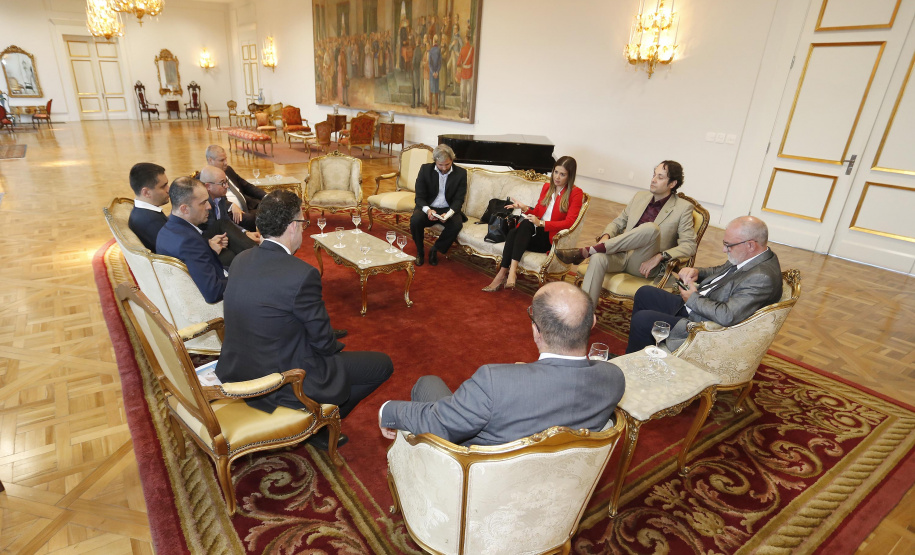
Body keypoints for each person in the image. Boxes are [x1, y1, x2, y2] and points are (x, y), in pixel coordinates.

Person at [215, 190, 394, 449]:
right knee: (381, 365)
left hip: (239, 367)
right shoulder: (302, 274)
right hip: (283, 377)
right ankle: (318, 422)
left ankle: (315, 420)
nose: (303, 230)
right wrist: (331, 346)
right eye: (302, 223)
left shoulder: (241, 259)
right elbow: (323, 343)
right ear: (291, 227)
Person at [379, 282, 625, 446]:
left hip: (483, 483)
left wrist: (387, 411)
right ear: (592, 323)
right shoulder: (615, 378)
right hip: (557, 485)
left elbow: (438, 423)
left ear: (536, 331)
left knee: (428, 383)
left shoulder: (493, 382)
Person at [626, 216, 783, 353]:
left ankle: (635, 367)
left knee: (643, 320)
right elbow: (720, 271)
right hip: (701, 306)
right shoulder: (752, 256)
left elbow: (727, 315)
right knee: (645, 293)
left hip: (705, 325)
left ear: (750, 245)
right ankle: (642, 354)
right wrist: (696, 272)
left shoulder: (761, 277)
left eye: (728, 245)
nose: (724, 249)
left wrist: (692, 298)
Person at [556, 161, 697, 307]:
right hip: (620, 255)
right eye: (654, 175)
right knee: (598, 258)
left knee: (651, 228)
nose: (653, 180)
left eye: (660, 177)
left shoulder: (683, 208)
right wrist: (606, 237)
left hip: (645, 264)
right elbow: (618, 223)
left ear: (672, 183)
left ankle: (588, 251)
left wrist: (660, 256)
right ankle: (584, 313)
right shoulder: (640, 197)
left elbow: (689, 246)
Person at [482, 156, 584, 292]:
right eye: (556, 172)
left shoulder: (575, 193)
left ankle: (504, 274)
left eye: (562, 174)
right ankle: (508, 273)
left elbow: (570, 223)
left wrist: (542, 223)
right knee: (516, 230)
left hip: (550, 237)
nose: (557, 177)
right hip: (533, 232)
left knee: (523, 225)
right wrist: (523, 207)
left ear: (570, 176)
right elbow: (537, 211)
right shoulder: (547, 187)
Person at [156, 177, 228, 304]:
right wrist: (243, 276)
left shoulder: (166, 231)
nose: (209, 206)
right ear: (184, 209)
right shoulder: (189, 242)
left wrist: (208, 247)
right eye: (203, 202)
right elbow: (213, 292)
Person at [410, 144, 467, 266]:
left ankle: (435, 249)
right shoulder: (425, 170)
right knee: (415, 220)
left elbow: (459, 199)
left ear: (452, 160)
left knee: (456, 225)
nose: (444, 168)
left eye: (447, 164)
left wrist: (450, 213)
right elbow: (419, 197)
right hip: (429, 206)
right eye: (440, 165)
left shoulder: (461, 173)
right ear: (435, 161)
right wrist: (428, 210)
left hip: (448, 208)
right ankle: (420, 252)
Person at [198, 166, 260, 268]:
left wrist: (245, 232)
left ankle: (257, 257)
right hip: (211, 241)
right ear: (208, 186)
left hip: (223, 237)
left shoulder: (221, 197)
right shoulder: (202, 204)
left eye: (226, 181)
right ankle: (259, 257)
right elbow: (208, 230)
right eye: (222, 183)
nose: (227, 186)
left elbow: (227, 222)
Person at [205, 145, 266, 232]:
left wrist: (266, 196)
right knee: (256, 218)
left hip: (247, 206)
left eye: (226, 159)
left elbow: (246, 186)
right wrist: (230, 205)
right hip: (231, 214)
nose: (226, 163)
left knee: (269, 207)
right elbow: (211, 200)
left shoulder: (228, 170)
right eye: (222, 160)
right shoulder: (204, 178)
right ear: (210, 160)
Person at [127, 162, 169, 252]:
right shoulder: (151, 221)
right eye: (163, 186)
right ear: (146, 192)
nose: (168, 189)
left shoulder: (142, 212)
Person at [458, 30, 474, 119]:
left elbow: (458, 62)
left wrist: (460, 64)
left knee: (462, 92)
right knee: (468, 92)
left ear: (465, 38)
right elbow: (473, 62)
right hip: (470, 73)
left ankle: (461, 111)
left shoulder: (463, 49)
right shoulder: (472, 49)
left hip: (464, 72)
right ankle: (468, 112)